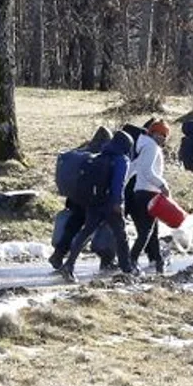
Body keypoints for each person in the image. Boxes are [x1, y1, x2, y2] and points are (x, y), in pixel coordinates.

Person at [59, 130, 135, 283]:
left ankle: (69, 265)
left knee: (86, 233)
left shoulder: (101, 155)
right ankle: (127, 269)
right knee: (121, 235)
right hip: (110, 204)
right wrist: (117, 202)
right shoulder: (122, 159)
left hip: (94, 202)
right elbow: (118, 184)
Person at [48, 126, 113, 271]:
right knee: (96, 228)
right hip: (92, 199)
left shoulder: (81, 152)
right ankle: (106, 259)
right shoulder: (102, 154)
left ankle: (58, 254)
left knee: (73, 226)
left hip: (75, 198)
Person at [128, 120, 172, 272]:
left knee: (152, 230)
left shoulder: (143, 146)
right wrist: (162, 185)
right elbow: (147, 171)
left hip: (140, 192)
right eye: (163, 135)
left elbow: (132, 168)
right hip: (148, 193)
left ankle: (158, 260)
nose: (164, 139)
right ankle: (131, 259)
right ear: (155, 134)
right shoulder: (152, 147)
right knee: (146, 231)